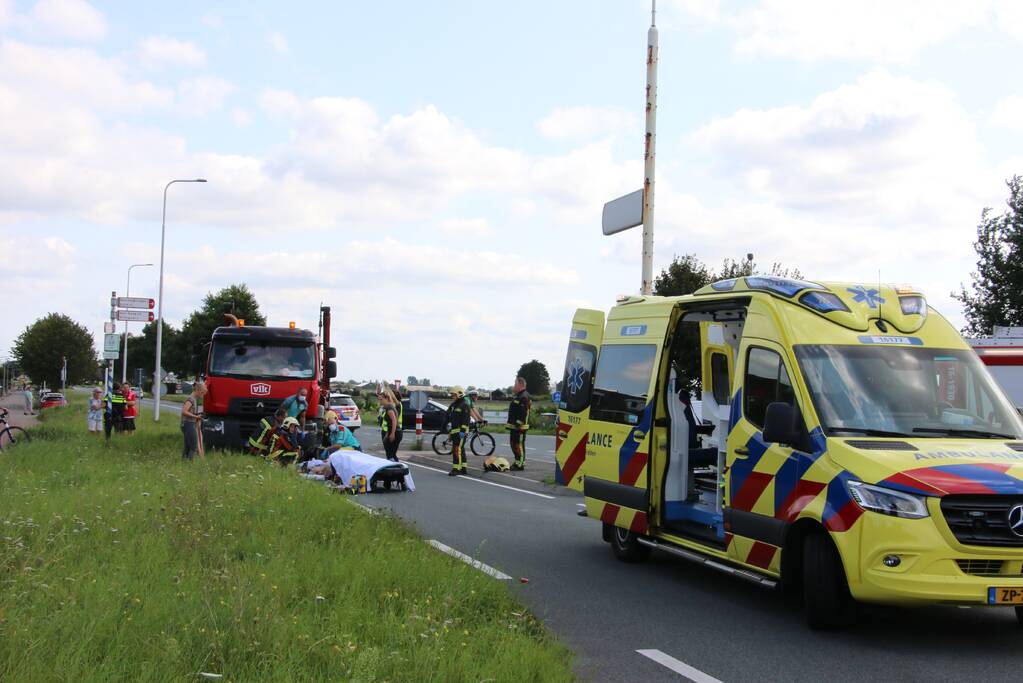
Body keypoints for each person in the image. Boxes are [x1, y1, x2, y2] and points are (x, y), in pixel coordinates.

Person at [506, 376, 532, 471]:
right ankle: (517, 461)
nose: (513, 386)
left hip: (520, 427)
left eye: (515, 384)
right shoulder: (519, 396)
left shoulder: (524, 396)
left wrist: (518, 424)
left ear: (520, 385)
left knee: (519, 445)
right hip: (515, 426)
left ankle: (520, 464)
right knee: (513, 444)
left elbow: (523, 412)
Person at [181, 381, 206, 460]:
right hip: (188, 424)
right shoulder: (191, 399)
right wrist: (196, 416)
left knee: (188, 446)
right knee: (194, 446)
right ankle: (189, 462)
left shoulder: (194, 399)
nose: (202, 395)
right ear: (197, 390)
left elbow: (189, 411)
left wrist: (197, 414)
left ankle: (184, 461)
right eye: (202, 393)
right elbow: (184, 411)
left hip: (187, 423)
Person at [378, 386, 402, 462]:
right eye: (379, 400)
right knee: (391, 454)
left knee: (390, 454)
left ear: (386, 399)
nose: (380, 402)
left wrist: (392, 434)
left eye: (381, 400)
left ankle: (396, 467)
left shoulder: (389, 408)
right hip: (391, 431)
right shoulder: (389, 405)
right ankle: (397, 466)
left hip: (395, 432)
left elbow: (394, 421)